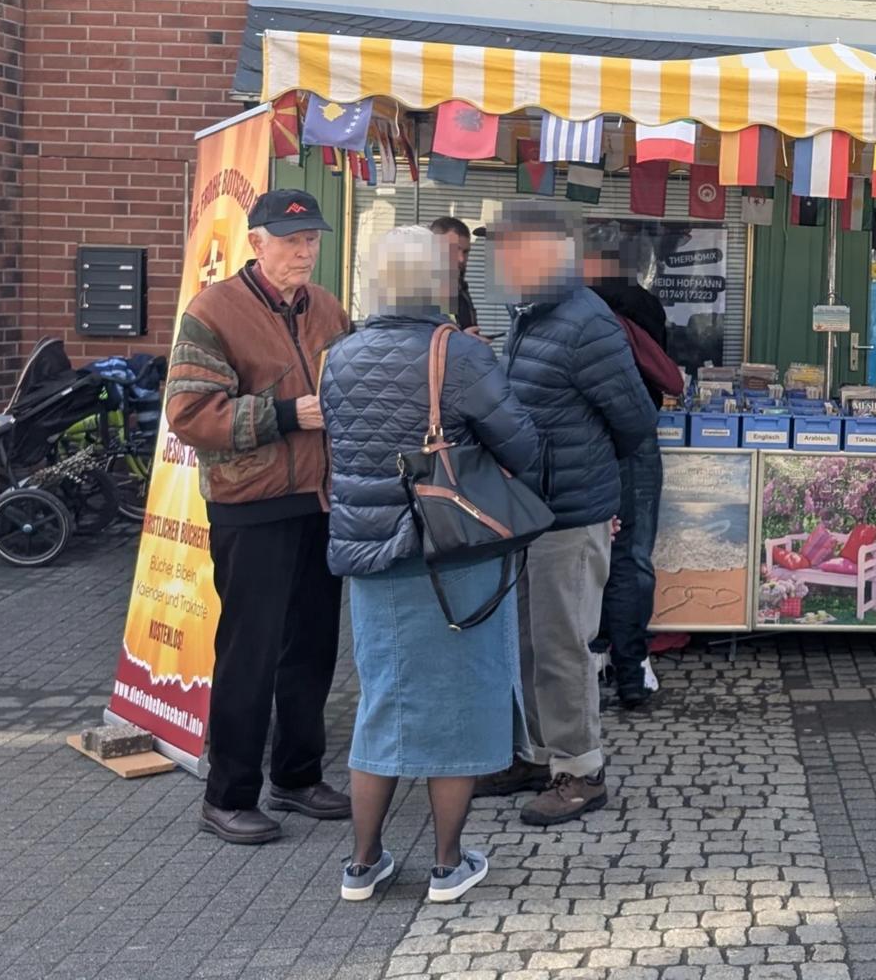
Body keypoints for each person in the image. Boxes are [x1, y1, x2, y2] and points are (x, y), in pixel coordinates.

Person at [319, 226, 541, 902]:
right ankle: (447, 864)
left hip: (370, 554)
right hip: (452, 553)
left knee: (384, 704)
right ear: (439, 283)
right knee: (461, 706)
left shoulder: (338, 356)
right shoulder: (461, 353)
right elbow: (523, 447)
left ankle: (362, 864)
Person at [165, 188, 352, 845]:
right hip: (250, 506)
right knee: (249, 654)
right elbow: (190, 414)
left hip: (319, 502)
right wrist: (287, 414)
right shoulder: (212, 311)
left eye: (311, 240)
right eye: (290, 241)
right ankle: (228, 795)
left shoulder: (327, 307)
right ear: (256, 243)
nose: (304, 252)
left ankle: (297, 777)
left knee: (312, 649)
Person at [476, 203, 657, 826]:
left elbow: (635, 421)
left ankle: (581, 771)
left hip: (570, 513)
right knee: (527, 642)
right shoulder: (529, 313)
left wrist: (588, 487)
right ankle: (537, 755)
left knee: (561, 647)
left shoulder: (585, 321)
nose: (501, 259)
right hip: (529, 511)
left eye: (511, 247)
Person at [586, 228, 673, 711]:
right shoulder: (643, 306)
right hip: (635, 441)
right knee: (633, 554)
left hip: (585, 445)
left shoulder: (570, 309)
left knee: (591, 552)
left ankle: (595, 652)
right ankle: (633, 666)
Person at [429, 216, 484, 337]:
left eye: (465, 252)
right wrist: (461, 339)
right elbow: (413, 339)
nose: (461, 259)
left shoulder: (460, 289)